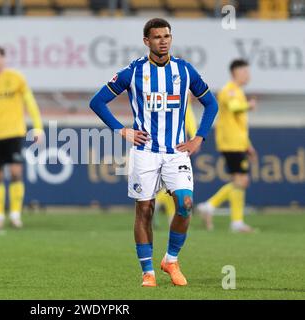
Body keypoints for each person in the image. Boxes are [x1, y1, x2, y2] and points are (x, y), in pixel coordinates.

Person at [89, 18, 218, 287]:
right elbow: (97, 101)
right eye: (157, 37)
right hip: (145, 151)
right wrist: (121, 130)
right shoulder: (133, 72)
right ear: (146, 41)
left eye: (167, 36)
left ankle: (170, 260)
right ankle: (148, 271)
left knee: (185, 204)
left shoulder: (185, 71)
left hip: (176, 152)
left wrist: (199, 138)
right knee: (145, 209)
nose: (163, 41)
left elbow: (211, 104)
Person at [0, 45, 43, 230]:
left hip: (13, 133)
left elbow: (30, 102)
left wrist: (38, 127)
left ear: (3, 59)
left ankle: (15, 215)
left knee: (15, 172)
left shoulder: (16, 79)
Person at [197, 59, 257, 233]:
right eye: (244, 72)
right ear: (235, 73)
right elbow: (234, 108)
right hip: (230, 143)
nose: (247, 75)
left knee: (239, 181)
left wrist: (248, 145)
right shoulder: (229, 90)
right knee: (241, 181)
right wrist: (249, 105)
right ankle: (209, 205)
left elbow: (239, 124)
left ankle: (236, 222)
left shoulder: (237, 91)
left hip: (238, 142)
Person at [155, 95, 197, 225]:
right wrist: (195, 138)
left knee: (169, 182)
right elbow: (188, 116)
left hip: (162, 142)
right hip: (177, 144)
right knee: (175, 181)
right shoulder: (183, 91)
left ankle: (157, 204)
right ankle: (168, 212)